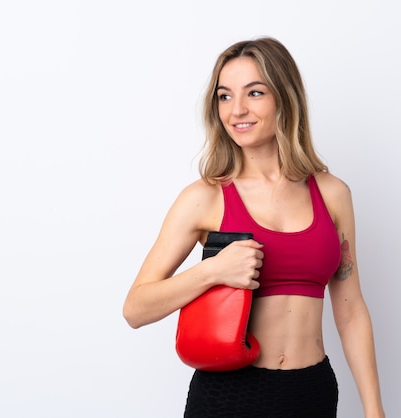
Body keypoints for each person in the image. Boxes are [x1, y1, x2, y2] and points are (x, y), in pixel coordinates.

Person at [123, 36, 385, 418]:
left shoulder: (332, 194)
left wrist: (374, 410)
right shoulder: (205, 197)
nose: (237, 110)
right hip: (231, 395)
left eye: (255, 92)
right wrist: (211, 271)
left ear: (285, 98)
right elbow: (136, 309)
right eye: (225, 96)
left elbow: (350, 308)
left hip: (311, 392)